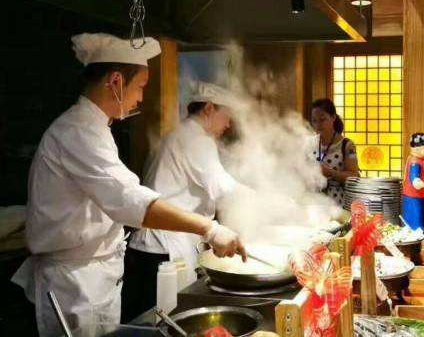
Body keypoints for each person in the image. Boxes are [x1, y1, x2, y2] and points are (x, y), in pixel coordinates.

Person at [11, 33, 246, 337]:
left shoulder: (96, 128)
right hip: (74, 285)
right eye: (141, 87)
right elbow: (129, 199)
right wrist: (210, 228)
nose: (141, 97)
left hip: (94, 278)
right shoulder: (78, 131)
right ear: (116, 82)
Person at [123, 81, 247, 322]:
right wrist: (275, 203)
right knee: (159, 321)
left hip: (154, 247)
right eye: (227, 116)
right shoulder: (195, 138)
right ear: (209, 108)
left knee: (156, 319)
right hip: (162, 250)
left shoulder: (182, 134)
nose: (229, 124)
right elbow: (224, 188)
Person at [309, 98, 359, 206]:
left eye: (322, 119)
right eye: (314, 120)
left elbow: (354, 177)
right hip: (313, 203)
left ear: (333, 117)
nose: (318, 125)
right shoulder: (309, 143)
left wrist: (330, 173)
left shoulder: (347, 145)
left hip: (336, 204)